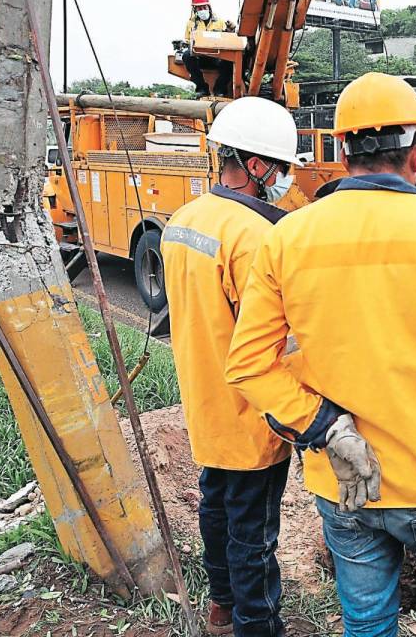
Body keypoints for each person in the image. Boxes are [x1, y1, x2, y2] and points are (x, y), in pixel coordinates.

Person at [224, 72, 416, 637]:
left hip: (344, 479)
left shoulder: (288, 237)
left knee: (366, 617)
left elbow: (249, 364)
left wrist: (326, 428)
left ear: (339, 149)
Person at [159, 97, 303, 637]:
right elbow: (274, 339)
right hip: (251, 415)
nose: (286, 179)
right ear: (259, 166)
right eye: (283, 168)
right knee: (253, 532)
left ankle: (221, 605)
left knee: (215, 509)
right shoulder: (258, 237)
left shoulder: (184, 219)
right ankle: (256, 625)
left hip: (204, 401)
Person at [183, 0, 234, 97]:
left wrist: (230, 30)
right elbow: (187, 41)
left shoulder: (220, 22)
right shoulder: (191, 24)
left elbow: (227, 39)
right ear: (195, 10)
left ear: (209, 7)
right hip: (199, 58)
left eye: (204, 7)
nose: (202, 10)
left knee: (230, 61)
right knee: (187, 55)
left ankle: (220, 89)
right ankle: (202, 88)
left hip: (216, 57)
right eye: (199, 8)